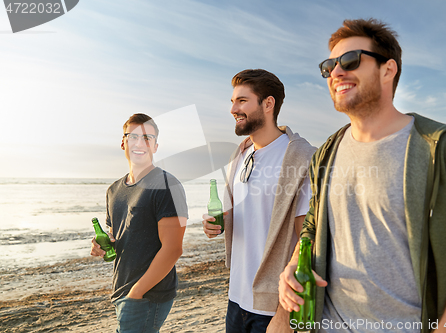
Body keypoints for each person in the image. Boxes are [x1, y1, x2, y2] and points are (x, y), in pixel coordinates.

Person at [278, 18, 446, 333]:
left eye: (350, 61)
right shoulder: (326, 152)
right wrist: (292, 266)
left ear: (388, 70)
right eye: (328, 66)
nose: (336, 72)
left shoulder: (444, 147)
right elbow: (312, 225)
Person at [202, 69, 316, 332]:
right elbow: (244, 215)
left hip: (273, 305)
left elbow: (307, 238)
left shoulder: (300, 158)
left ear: (268, 104)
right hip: (235, 297)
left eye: (242, 100)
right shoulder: (240, 155)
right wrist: (216, 225)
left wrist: (284, 314)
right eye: (232, 101)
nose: (233, 108)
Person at [90, 113, 188, 333]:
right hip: (122, 288)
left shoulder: (166, 185)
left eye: (147, 138)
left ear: (155, 146)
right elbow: (118, 236)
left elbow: (173, 249)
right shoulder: (114, 189)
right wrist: (102, 246)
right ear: (123, 142)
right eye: (133, 136)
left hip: (147, 294)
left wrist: (136, 292)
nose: (140, 143)